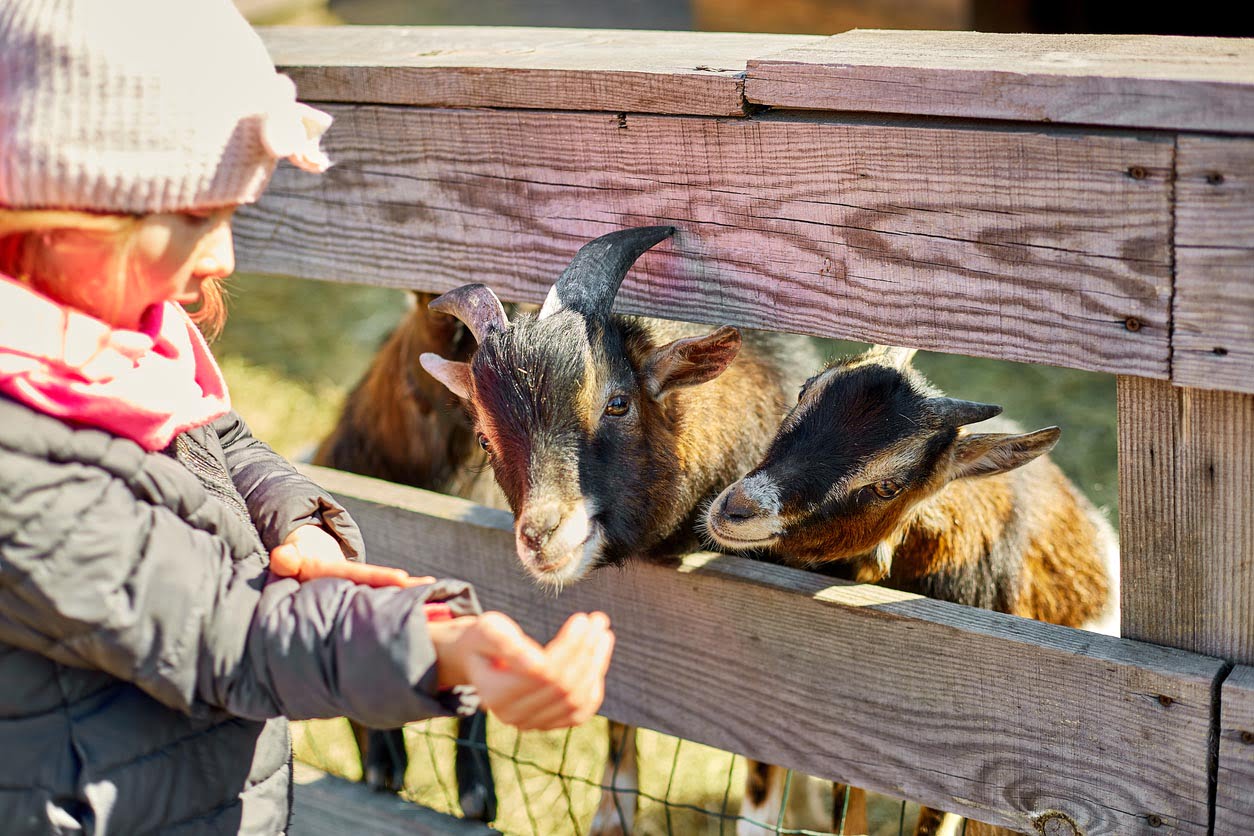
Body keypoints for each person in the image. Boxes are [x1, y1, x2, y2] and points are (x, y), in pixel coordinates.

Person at [0, 1, 615, 833]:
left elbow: (214, 441)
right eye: (192, 219)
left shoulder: (111, 343)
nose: (222, 256)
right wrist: (440, 649)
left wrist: (301, 522)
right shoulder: (16, 449)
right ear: (58, 211)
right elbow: (228, 630)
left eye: (229, 215)